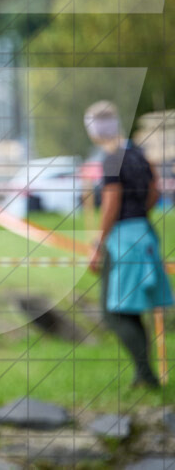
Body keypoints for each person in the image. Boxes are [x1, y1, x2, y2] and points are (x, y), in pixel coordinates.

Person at [86, 100, 173, 389]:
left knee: (114, 313)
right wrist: (139, 217)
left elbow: (111, 203)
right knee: (132, 309)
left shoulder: (111, 160)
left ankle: (147, 377)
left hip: (123, 240)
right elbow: (154, 191)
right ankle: (142, 375)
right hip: (144, 233)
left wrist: (98, 243)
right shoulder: (138, 154)